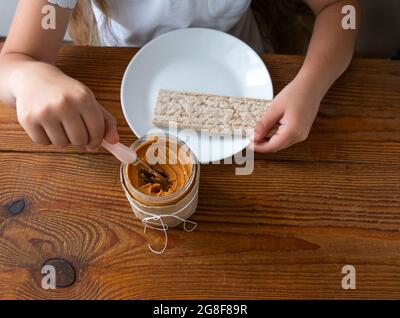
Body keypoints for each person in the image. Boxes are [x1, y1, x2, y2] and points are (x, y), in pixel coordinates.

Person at [0, 0, 360, 153]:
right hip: (124, 87)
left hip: (253, 73)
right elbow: (14, 61)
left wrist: (310, 87)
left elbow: (341, 9)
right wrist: (29, 77)